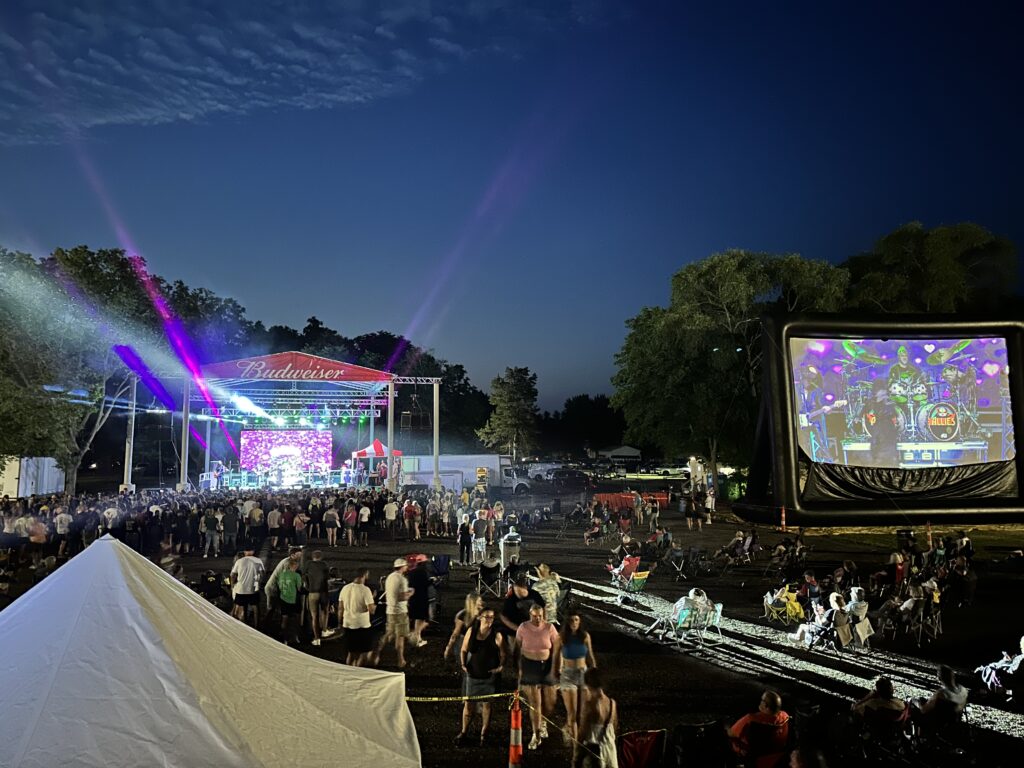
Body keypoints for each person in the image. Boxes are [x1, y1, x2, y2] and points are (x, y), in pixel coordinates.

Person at [455, 608, 505, 747]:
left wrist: (500, 666)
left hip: (489, 676)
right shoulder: (471, 632)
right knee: (468, 705)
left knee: (487, 705)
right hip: (473, 674)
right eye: (487, 617)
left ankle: (484, 734)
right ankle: (464, 732)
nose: (489, 620)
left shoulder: (497, 635)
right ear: (479, 617)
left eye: (492, 617)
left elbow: (503, 653)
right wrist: (463, 664)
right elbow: (464, 649)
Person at [516, 603, 561, 750]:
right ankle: (536, 735)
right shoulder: (523, 627)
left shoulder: (549, 628)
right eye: (534, 616)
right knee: (535, 703)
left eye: (540, 616)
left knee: (550, 701)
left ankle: (543, 721)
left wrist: (557, 667)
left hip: (546, 665)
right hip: (530, 666)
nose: (537, 618)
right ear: (530, 615)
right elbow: (517, 648)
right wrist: (520, 670)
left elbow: (557, 647)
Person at [557, 612, 597, 745]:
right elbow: (556, 656)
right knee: (572, 713)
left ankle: (569, 730)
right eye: (571, 620)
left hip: (583, 674)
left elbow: (590, 656)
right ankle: (576, 746)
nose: (574, 623)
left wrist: (594, 672)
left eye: (576, 620)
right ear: (567, 623)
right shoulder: (562, 637)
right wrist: (556, 673)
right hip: (568, 675)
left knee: (582, 711)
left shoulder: (585, 636)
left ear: (579, 622)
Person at [728, 690, 790, 768]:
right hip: (775, 756)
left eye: (762, 700)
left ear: (766, 706)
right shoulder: (784, 717)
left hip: (752, 756)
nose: (760, 702)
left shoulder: (751, 719)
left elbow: (731, 733)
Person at [574, 668, 618, 768]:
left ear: (588, 684)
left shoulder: (590, 705)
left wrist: (576, 754)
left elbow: (582, 733)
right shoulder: (612, 703)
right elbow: (614, 727)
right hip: (610, 749)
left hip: (594, 752)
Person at [377, 558, 415, 669]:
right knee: (400, 636)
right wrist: (411, 593)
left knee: (388, 633)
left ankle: (376, 653)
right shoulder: (402, 580)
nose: (407, 567)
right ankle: (400, 660)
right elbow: (402, 596)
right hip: (400, 611)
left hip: (390, 610)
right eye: (406, 566)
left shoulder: (389, 577)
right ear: (402, 567)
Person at [338, 568, 377, 666]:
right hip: (362, 625)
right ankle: (357, 671)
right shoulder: (365, 590)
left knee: (351, 653)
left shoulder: (345, 588)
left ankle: (349, 671)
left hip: (348, 624)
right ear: (364, 575)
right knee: (363, 653)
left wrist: (340, 623)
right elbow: (371, 610)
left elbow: (340, 608)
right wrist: (373, 600)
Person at [912, 664, 968, 732]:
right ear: (953, 676)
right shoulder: (964, 691)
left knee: (914, 706)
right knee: (923, 700)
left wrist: (915, 702)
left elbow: (923, 710)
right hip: (952, 722)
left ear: (939, 678)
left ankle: (916, 736)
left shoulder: (942, 693)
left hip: (938, 724)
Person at [229, 545, 264, 626]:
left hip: (241, 589)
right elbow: (262, 573)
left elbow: (233, 575)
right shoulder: (258, 561)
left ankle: (241, 623)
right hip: (253, 588)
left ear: (245, 552)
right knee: (255, 607)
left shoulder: (239, 561)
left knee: (239, 606)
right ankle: (256, 625)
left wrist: (232, 585)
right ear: (253, 551)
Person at [445, 592, 483, 660]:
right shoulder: (463, 615)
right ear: (473, 602)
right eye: (479, 601)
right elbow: (455, 633)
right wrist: (448, 648)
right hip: (463, 643)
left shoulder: (482, 614)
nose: (482, 602)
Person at [303, 550, 329, 646]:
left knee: (314, 616)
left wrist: (307, 585)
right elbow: (328, 577)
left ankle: (317, 638)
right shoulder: (324, 565)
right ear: (321, 557)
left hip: (312, 592)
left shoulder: (308, 564)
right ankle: (324, 630)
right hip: (323, 592)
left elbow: (303, 575)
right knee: (325, 611)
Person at [276, 559, 303, 646]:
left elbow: (279, 586)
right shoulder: (296, 575)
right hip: (293, 599)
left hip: (283, 598)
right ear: (294, 566)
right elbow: (299, 588)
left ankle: (284, 638)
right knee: (296, 619)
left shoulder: (281, 575)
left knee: (284, 619)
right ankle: (295, 637)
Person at [406, 560, 432, 647]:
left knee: (417, 619)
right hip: (422, 599)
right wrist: (432, 581)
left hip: (413, 599)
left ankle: (418, 638)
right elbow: (424, 584)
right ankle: (415, 634)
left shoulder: (411, 573)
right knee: (425, 619)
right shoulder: (423, 573)